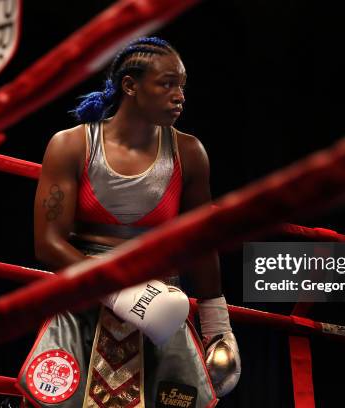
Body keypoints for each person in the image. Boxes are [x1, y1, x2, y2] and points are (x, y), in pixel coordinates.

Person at [20, 37, 240, 408]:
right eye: (167, 84)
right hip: (84, 297)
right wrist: (119, 290)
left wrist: (218, 327)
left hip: (160, 298)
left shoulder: (189, 153)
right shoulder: (71, 145)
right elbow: (48, 243)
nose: (180, 96)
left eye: (182, 86)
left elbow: (200, 242)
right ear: (130, 85)